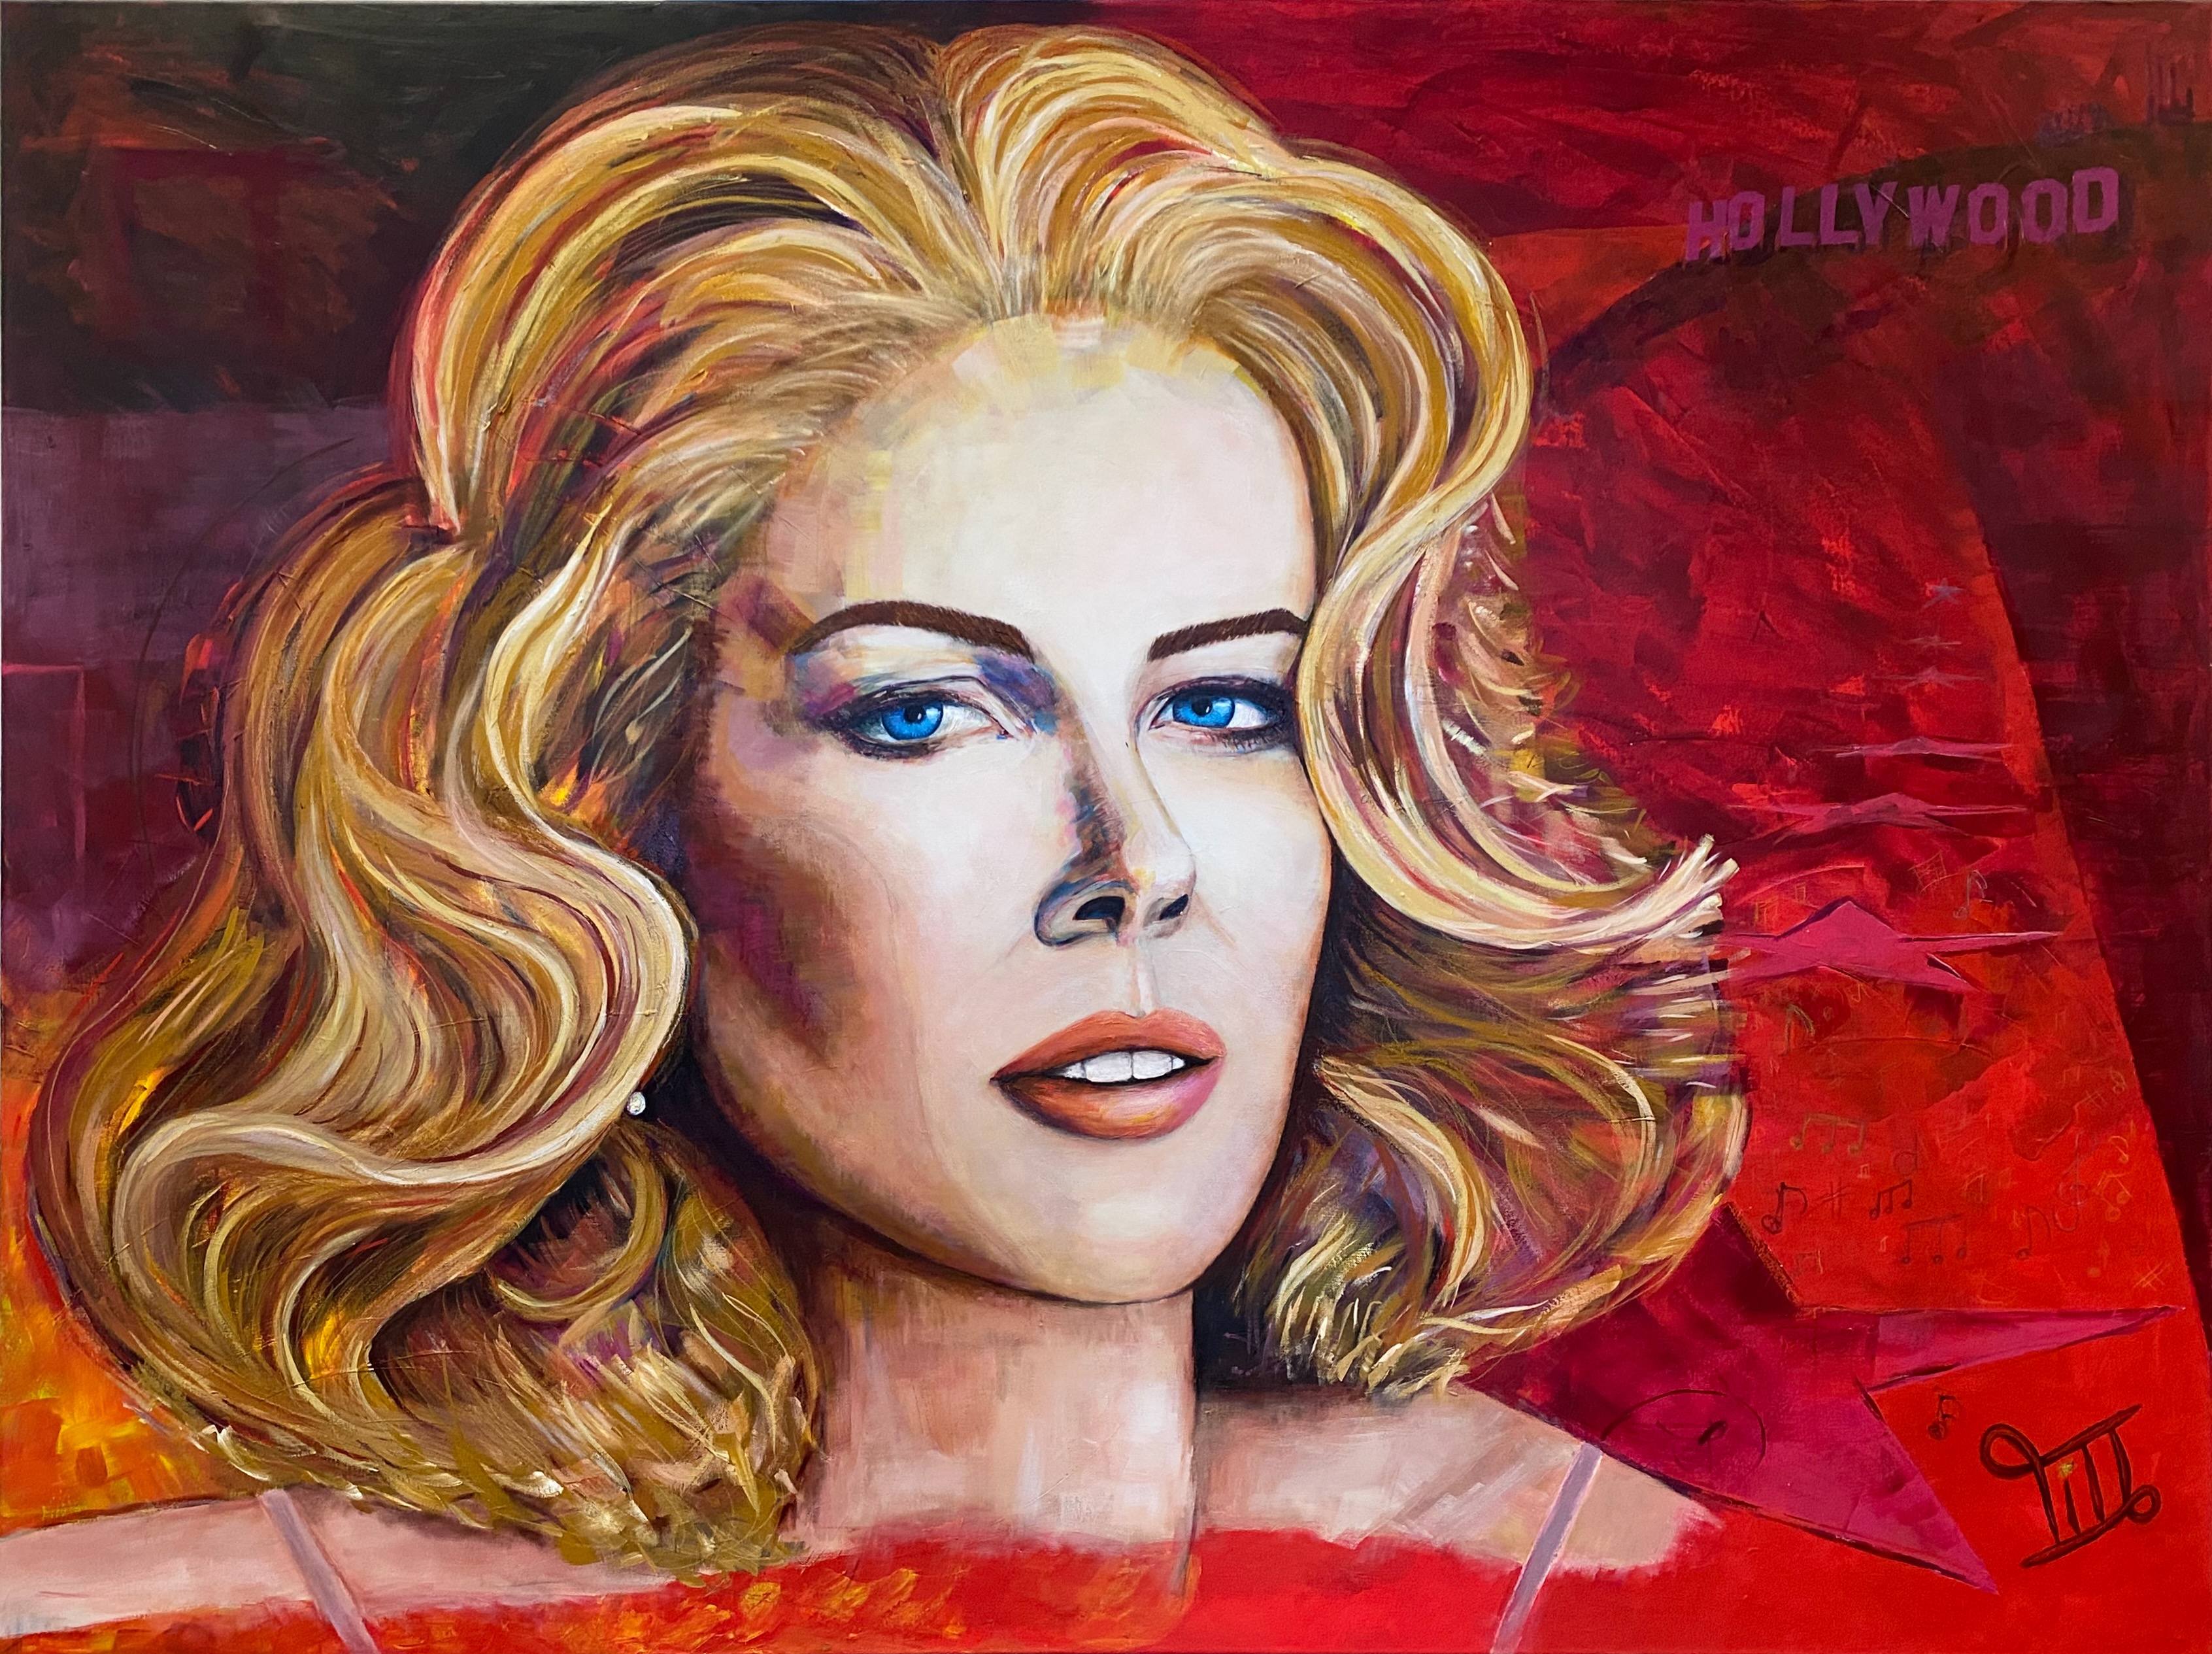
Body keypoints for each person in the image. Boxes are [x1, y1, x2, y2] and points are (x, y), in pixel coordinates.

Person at [20, 20, 1739, 1628]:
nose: (1137, 863)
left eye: (1226, 707)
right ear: (608, 809)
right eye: (920, 713)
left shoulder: (1678, 1603)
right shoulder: (160, 1626)